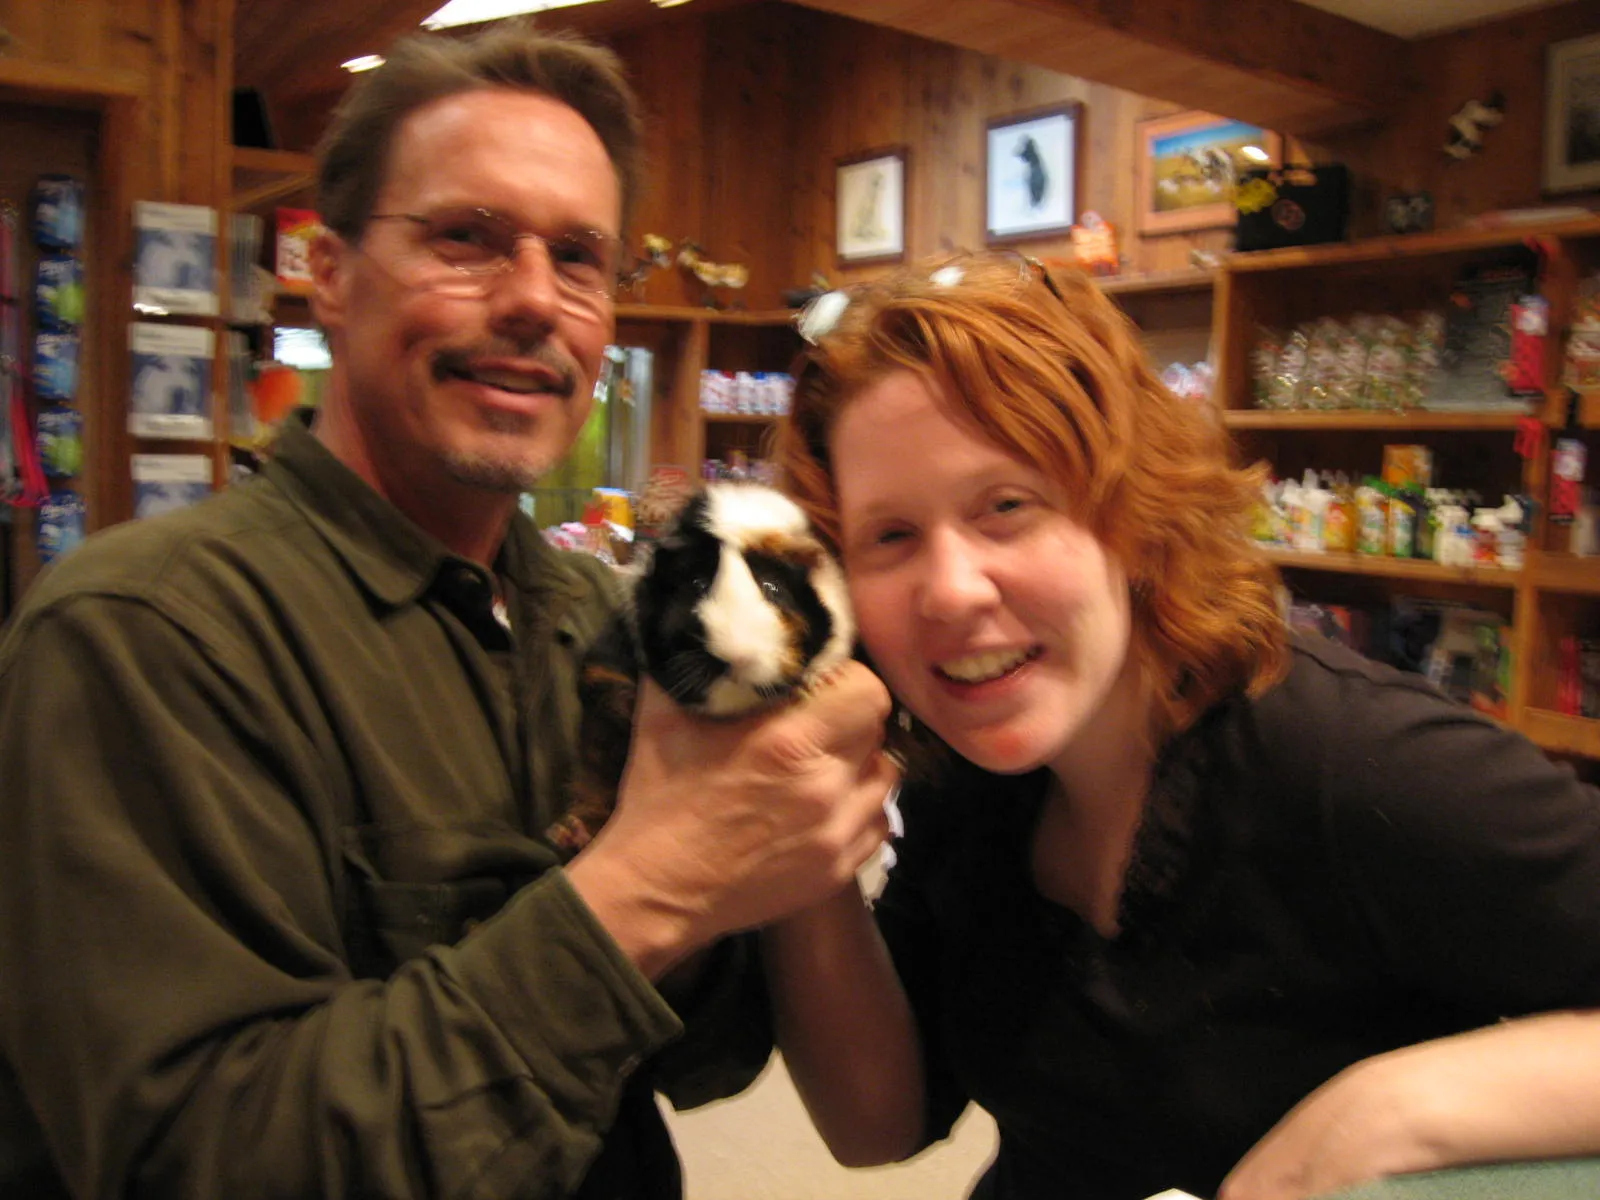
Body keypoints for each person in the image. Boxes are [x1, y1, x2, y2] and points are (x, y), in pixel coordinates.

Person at [0, 24, 896, 1199]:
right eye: (466, 239)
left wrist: (791, 831)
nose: (534, 301)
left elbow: (707, 1056)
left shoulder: (598, 620)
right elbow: (200, 1159)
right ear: (329, 271)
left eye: (579, 258)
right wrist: (651, 882)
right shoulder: (144, 637)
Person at [764, 250, 1600, 1200]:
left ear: (1131, 513)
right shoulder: (968, 776)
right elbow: (878, 1124)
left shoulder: (1354, 765)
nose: (952, 591)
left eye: (1007, 506)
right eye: (891, 536)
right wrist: (806, 852)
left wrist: (1392, 1106)